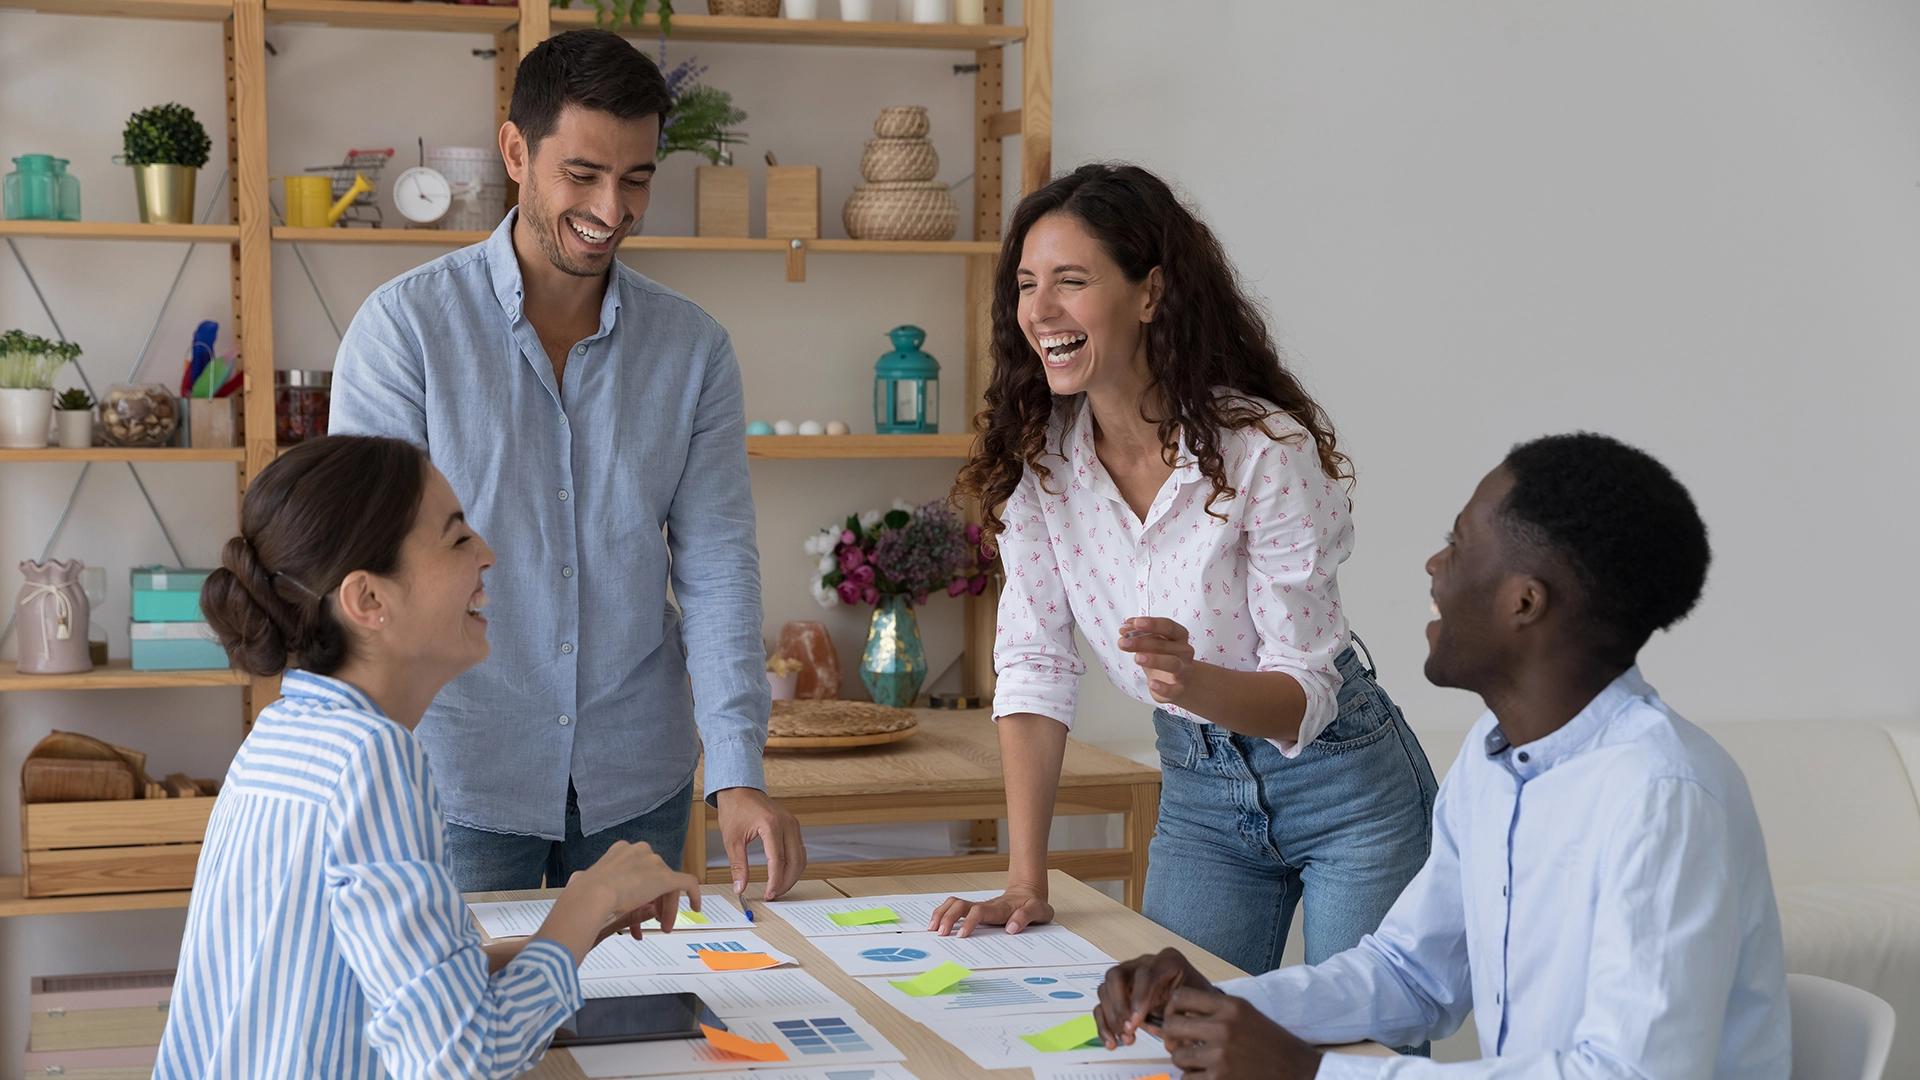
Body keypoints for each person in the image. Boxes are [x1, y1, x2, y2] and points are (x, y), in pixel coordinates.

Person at [1094, 433, 1791, 1079]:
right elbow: (1410, 973)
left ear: (1525, 602)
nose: (1433, 566)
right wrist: (1219, 1004)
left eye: (1457, 545)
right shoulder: (1493, 766)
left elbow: (1626, 1075)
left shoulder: (1661, 794)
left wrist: (1309, 1072)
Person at [329, 28, 804, 901]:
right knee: (465, 1032)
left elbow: (717, 567)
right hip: (458, 781)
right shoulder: (405, 332)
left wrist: (736, 770)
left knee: (650, 1033)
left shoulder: (693, 350)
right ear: (516, 150)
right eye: (581, 175)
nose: (611, 209)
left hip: (639, 782)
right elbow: (368, 578)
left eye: (635, 179)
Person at [938, 163, 1437, 980]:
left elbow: (1306, 695)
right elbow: (1034, 663)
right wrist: (1026, 879)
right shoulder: (1038, 466)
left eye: (1072, 281)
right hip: (1200, 795)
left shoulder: (1264, 451)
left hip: (1345, 789)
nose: (1041, 310)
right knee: (1176, 1038)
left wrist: (1188, 678)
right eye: (1027, 285)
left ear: (1150, 292)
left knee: (1357, 1054)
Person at [156, 435, 703, 1079]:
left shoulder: (284, 735)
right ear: (368, 601)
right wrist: (590, 894)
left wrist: (571, 934)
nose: (489, 555)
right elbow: (463, 1059)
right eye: (457, 538)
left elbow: (370, 991)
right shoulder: (372, 761)